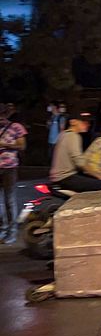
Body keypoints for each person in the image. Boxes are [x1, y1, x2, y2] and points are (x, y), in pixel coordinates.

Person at [49, 113, 101, 192]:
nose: (87, 125)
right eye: (83, 122)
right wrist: (99, 176)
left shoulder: (63, 134)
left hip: (60, 177)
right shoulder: (73, 136)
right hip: (65, 177)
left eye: (88, 123)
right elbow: (79, 162)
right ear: (73, 122)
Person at [0, 104, 28, 244]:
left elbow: (22, 145)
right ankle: (3, 230)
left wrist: (5, 145)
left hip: (10, 167)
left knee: (9, 200)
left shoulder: (16, 127)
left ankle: (12, 232)